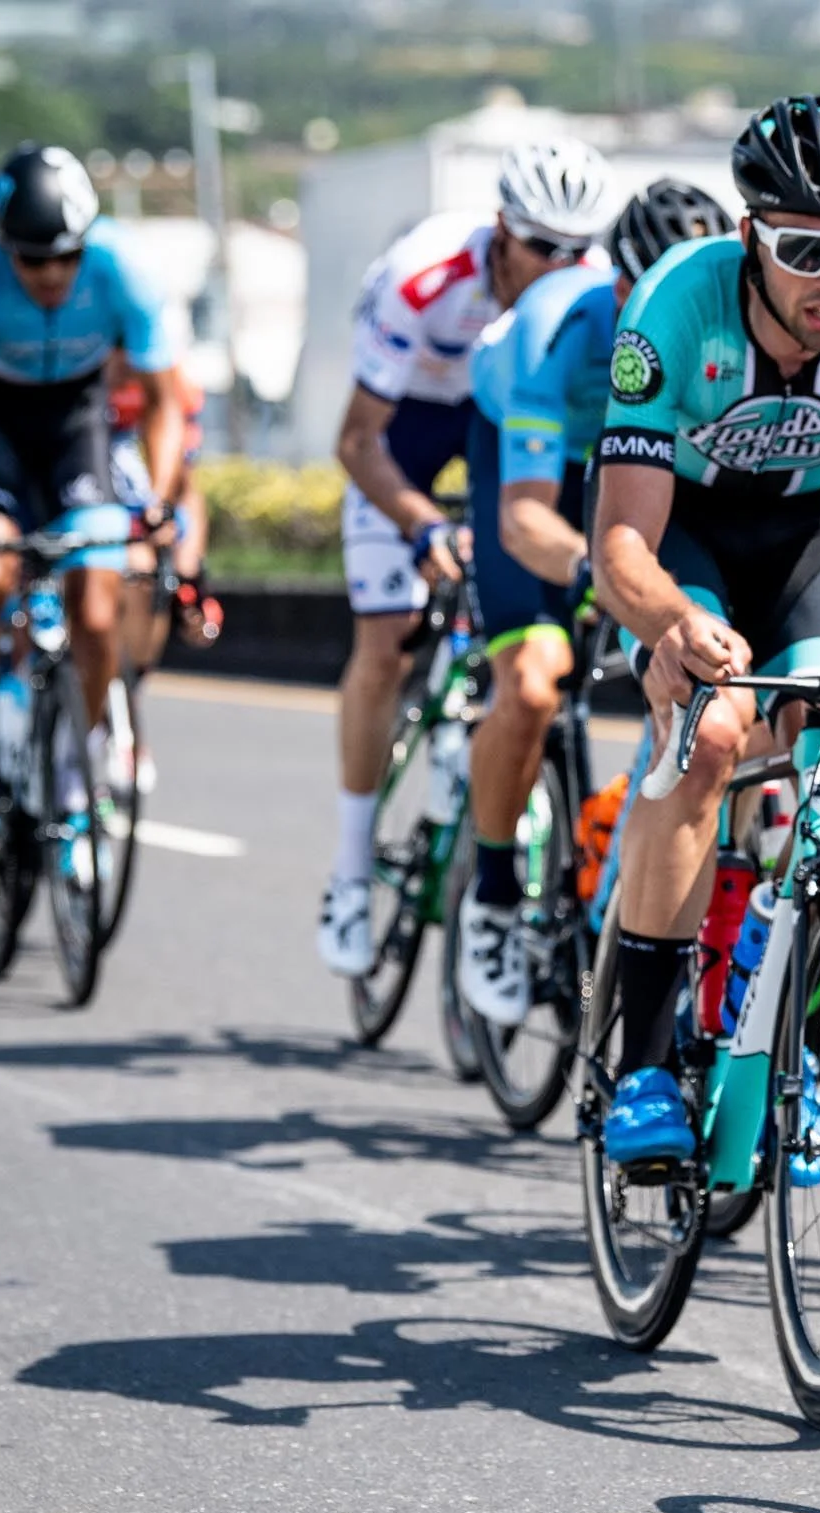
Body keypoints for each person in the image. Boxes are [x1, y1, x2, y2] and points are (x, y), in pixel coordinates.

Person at [591, 95, 820, 1167]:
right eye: (806, 251)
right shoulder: (675, 303)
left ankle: (790, 1045)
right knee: (710, 736)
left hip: (813, 529)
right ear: (750, 235)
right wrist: (671, 623)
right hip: (688, 540)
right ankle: (645, 1064)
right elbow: (619, 542)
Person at [315, 138, 608, 979]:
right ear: (499, 232)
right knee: (386, 638)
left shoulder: (587, 300)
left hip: (514, 425)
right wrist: (417, 527)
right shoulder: (425, 280)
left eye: (575, 250)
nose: (558, 265)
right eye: (540, 247)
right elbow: (356, 439)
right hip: (410, 424)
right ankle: (348, 866)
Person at [453, 176, 733, 1025]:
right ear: (623, 289)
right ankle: (494, 893)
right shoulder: (553, 330)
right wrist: (601, 574)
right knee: (536, 680)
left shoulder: (715, 331)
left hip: (637, 472)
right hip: (543, 473)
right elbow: (526, 518)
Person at [0, 143, 185, 848]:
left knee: (97, 607)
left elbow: (164, 401)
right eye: (34, 260)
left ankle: (72, 773)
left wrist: (157, 496)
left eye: (67, 256)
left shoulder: (123, 267)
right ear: (6, 248)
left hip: (75, 422)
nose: (53, 273)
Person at [105, 353, 214, 794]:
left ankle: (124, 703)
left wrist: (191, 583)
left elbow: (187, 491)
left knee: (144, 572)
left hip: (132, 507)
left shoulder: (171, 382)